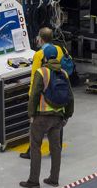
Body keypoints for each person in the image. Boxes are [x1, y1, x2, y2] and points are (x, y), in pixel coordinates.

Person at [21, 44, 74, 188]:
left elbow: (34, 95)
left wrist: (31, 114)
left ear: (44, 57)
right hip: (58, 117)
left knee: (35, 147)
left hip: (41, 117)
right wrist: (67, 115)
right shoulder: (63, 72)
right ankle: (53, 179)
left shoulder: (41, 72)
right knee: (56, 148)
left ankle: (33, 181)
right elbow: (70, 96)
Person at [22, 27, 73, 160]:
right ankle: (57, 148)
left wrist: (31, 94)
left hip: (44, 91)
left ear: (41, 38)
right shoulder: (59, 49)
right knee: (58, 120)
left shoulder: (39, 55)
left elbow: (35, 75)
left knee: (35, 125)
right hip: (57, 89)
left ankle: (31, 152)